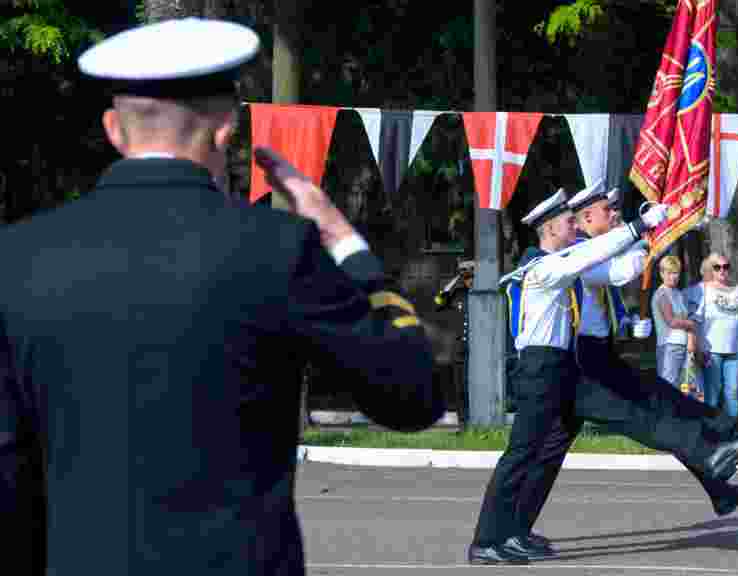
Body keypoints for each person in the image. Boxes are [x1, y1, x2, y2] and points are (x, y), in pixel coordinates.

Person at [0, 18, 444, 576]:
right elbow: (411, 395)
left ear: (113, 129)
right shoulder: (276, 247)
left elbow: (9, 468)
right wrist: (343, 241)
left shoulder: (18, 256)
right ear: (227, 125)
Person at [505, 184, 738, 563]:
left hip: (596, 354)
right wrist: (648, 235)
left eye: (616, 210)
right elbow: (621, 272)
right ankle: (722, 448)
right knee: (650, 413)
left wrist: (630, 319)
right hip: (581, 362)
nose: (615, 215)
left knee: (554, 450)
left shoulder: (593, 248)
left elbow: (609, 293)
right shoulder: (578, 252)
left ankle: (721, 468)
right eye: (608, 210)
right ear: (585, 219)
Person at [688, 252, 738, 428]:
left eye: (726, 267)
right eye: (717, 267)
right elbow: (694, 320)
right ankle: (709, 429)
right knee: (713, 392)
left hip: (734, 350)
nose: (722, 271)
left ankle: (732, 429)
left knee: (732, 392)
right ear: (711, 269)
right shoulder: (702, 290)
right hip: (711, 350)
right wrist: (695, 346)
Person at [653, 255, 700, 391]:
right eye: (669, 273)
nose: (673, 277)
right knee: (668, 388)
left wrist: (691, 340)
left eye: (676, 273)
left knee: (685, 388)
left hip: (685, 346)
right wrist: (690, 324)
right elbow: (672, 321)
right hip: (669, 346)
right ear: (662, 273)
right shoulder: (661, 294)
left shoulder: (679, 294)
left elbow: (686, 318)